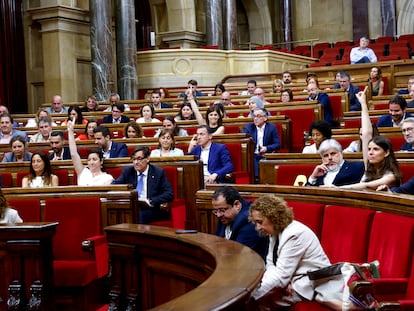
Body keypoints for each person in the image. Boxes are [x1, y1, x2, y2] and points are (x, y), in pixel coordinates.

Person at [248, 195, 330, 309]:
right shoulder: (275, 231)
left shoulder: (294, 234)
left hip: (309, 284)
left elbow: (281, 277)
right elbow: (271, 264)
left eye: (260, 222)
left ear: (273, 217)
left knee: (256, 302)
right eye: (256, 223)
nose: (257, 227)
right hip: (291, 279)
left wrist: (249, 295)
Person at [336, 90, 401, 190]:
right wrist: (363, 103)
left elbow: (366, 185)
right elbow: (366, 134)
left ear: (386, 152)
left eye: (375, 149)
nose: (370, 152)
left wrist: (335, 189)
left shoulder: (391, 176)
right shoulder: (369, 167)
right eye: (369, 149)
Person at [112, 145, 174, 224]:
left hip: (150, 209)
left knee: (140, 213)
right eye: (134, 159)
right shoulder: (128, 172)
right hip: (131, 206)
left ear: (147, 159)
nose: (136, 162)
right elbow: (116, 186)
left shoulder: (158, 172)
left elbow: (169, 194)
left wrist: (150, 201)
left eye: (139, 159)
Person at [212, 186, 268, 258]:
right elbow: (218, 242)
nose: (218, 215)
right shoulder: (224, 216)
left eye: (222, 210)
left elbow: (238, 254)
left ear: (237, 205)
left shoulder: (249, 219)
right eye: (215, 211)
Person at [67, 119, 113, 186]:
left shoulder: (107, 178)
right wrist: (70, 132)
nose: (91, 162)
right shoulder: (83, 172)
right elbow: (73, 154)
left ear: (101, 161)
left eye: (94, 159)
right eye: (89, 160)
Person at [242, 108, 280, 180]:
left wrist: (266, 148)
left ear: (265, 118)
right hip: (253, 155)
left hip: (266, 155)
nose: (256, 119)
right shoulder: (249, 127)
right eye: (254, 116)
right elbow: (241, 138)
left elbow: (277, 144)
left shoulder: (271, 127)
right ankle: (256, 179)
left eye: (258, 116)